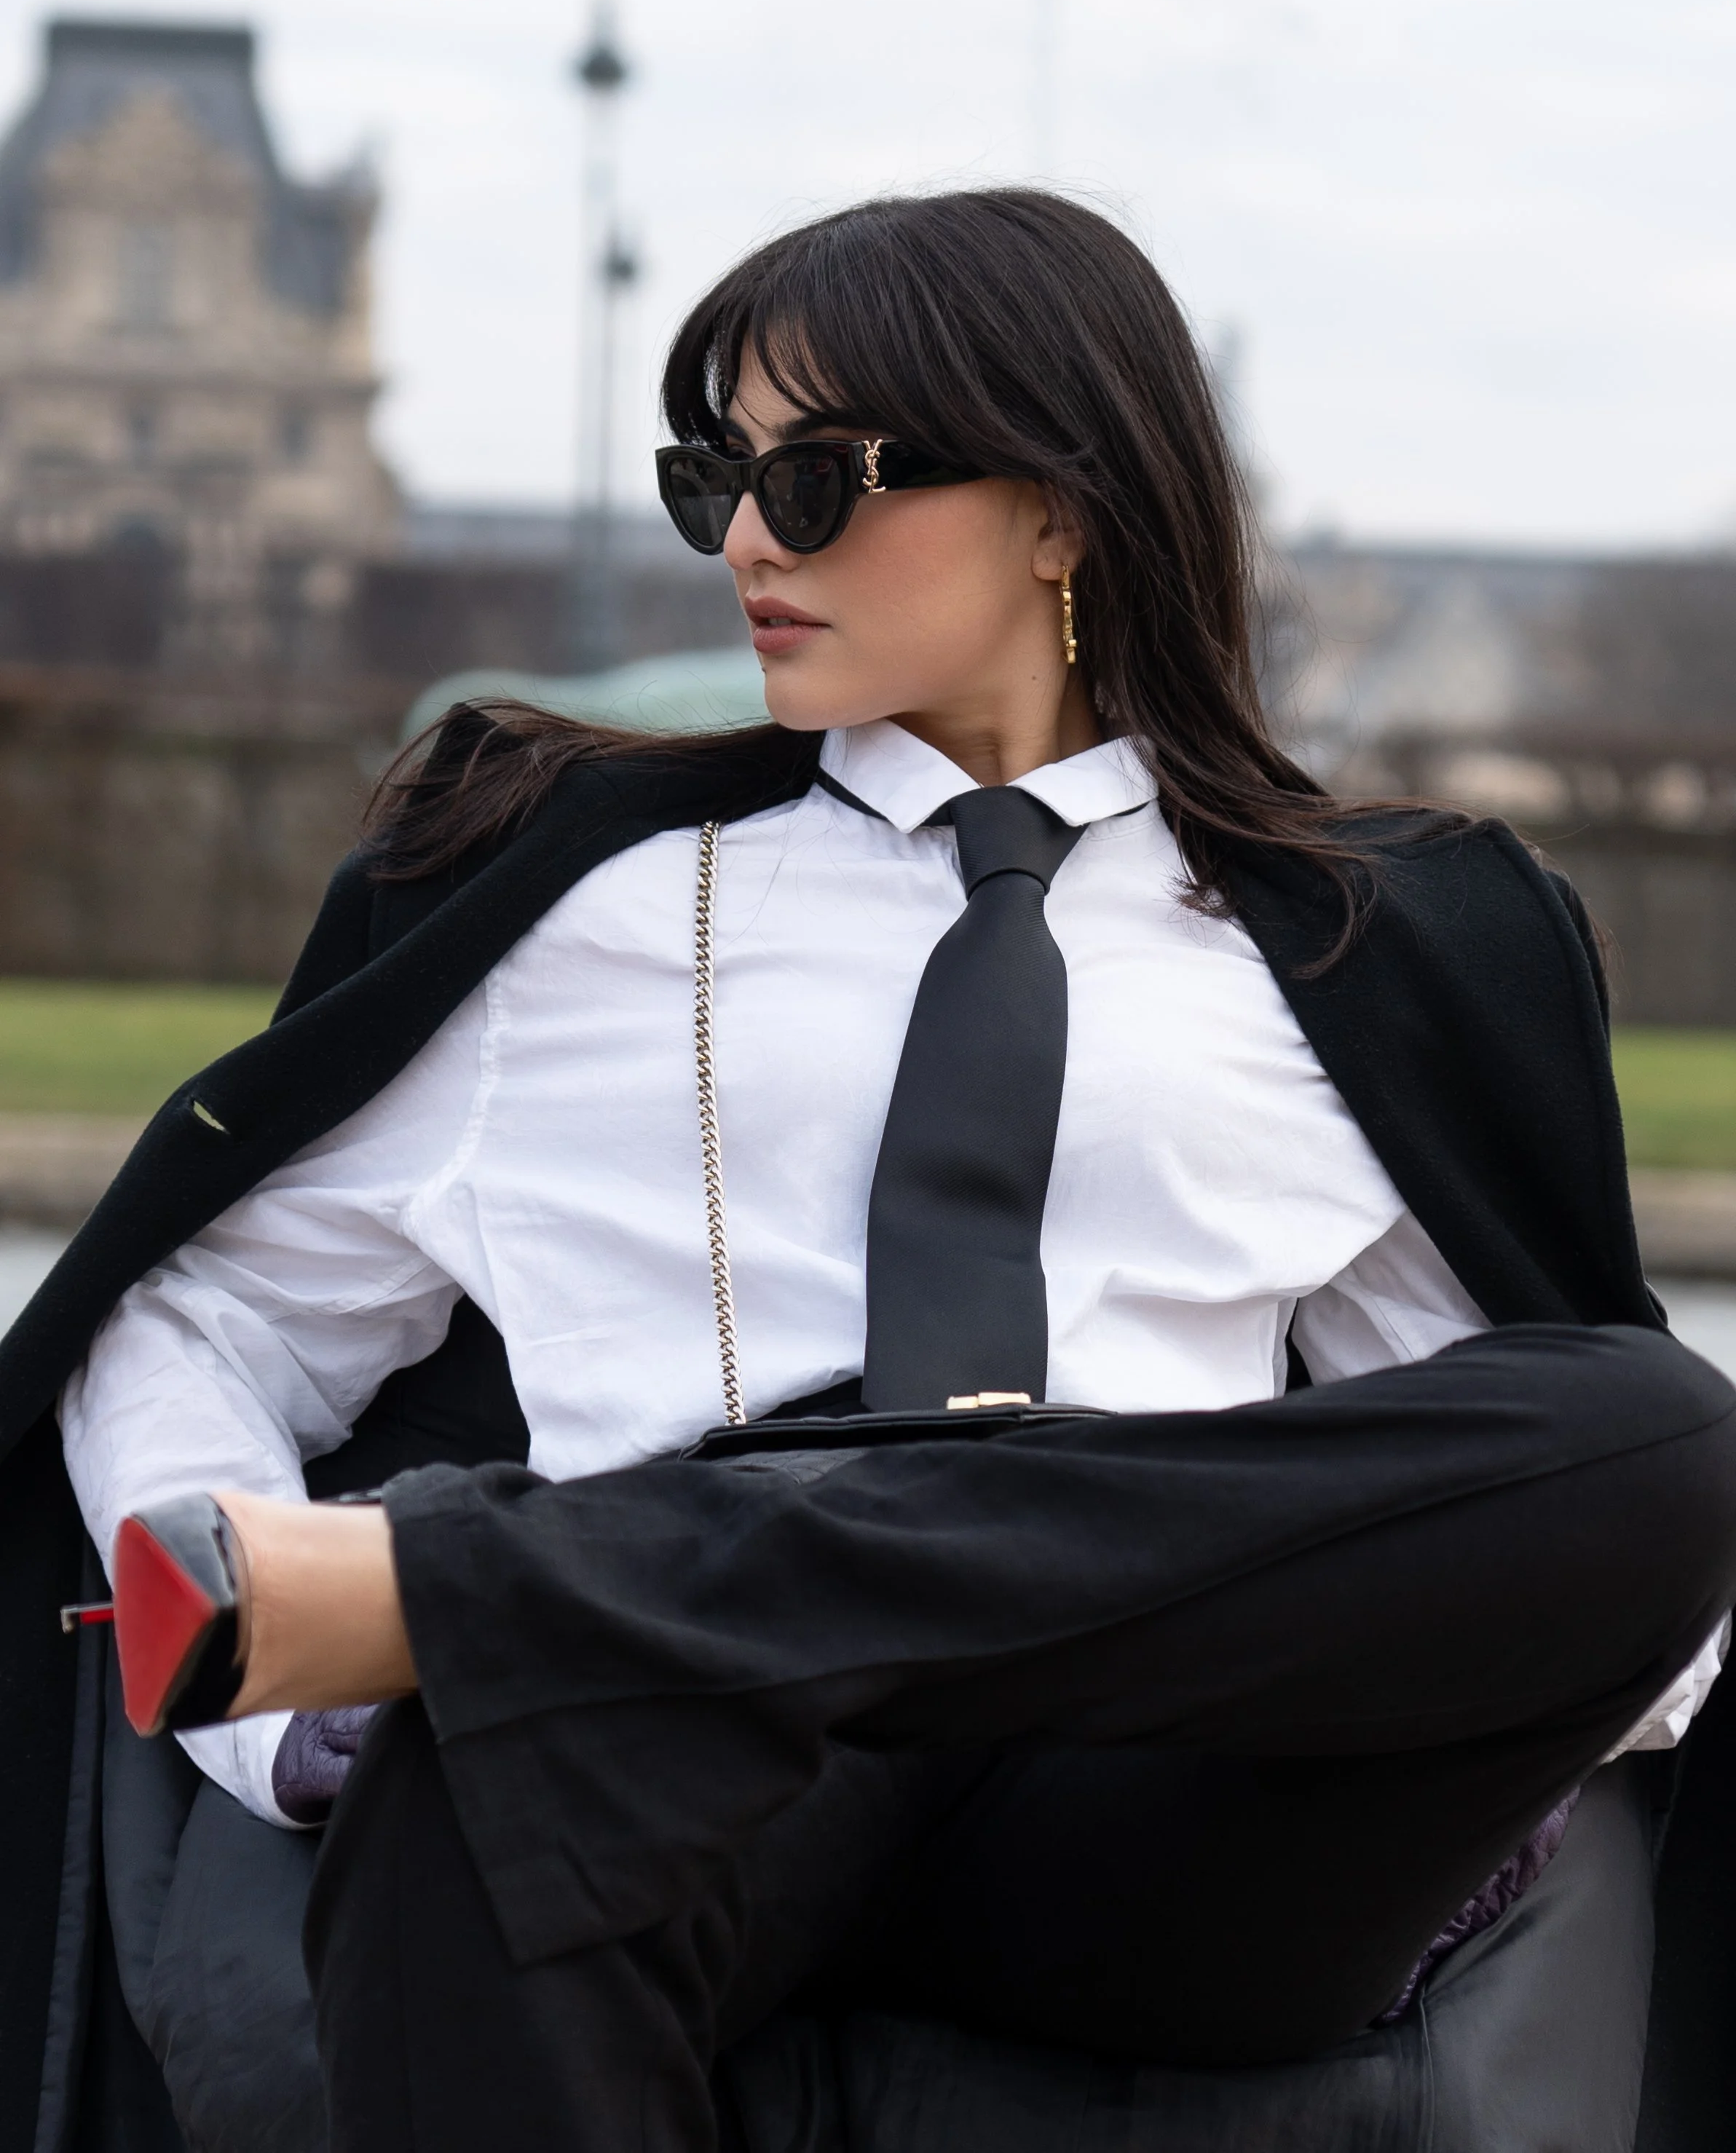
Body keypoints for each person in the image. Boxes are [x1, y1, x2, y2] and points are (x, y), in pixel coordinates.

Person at [15, 187, 1736, 2153]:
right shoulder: (567, 899)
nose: (747, 540)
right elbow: (192, 1308)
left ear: (1063, 506)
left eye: (816, 480)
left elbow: (1502, 1470)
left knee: (1658, 1428)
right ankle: (551, 1614)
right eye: (713, 480)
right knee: (478, 1771)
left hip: (1170, 1791)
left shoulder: (1365, 943)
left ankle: (517, 1586)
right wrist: (281, 1717)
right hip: (697, 1763)